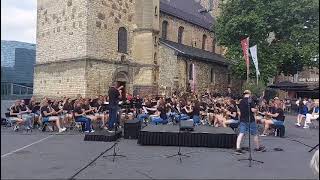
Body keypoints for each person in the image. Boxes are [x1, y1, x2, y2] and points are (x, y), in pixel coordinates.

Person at [235, 90, 265, 155]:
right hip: (250, 120)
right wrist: (256, 109)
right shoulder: (250, 101)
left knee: (241, 133)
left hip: (243, 119)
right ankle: (257, 148)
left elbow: (240, 110)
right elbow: (253, 110)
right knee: (255, 134)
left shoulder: (241, 101)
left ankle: (237, 148)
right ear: (249, 94)